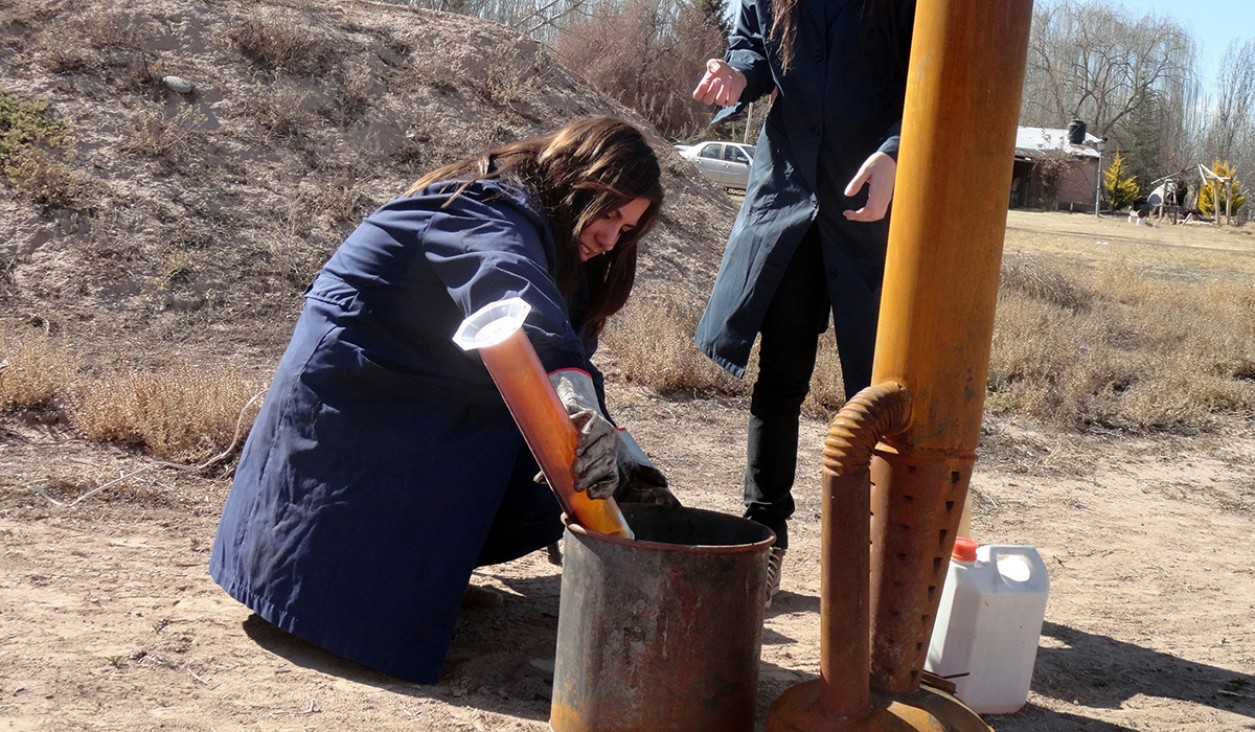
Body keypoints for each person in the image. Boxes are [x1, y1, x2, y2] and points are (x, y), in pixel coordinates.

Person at [209, 116, 677, 684]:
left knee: (553, 455)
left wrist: (624, 456)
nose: (611, 238)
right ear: (566, 174)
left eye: (626, 228)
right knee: (536, 443)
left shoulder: (552, 237)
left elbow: (568, 349)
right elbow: (513, 295)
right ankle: (341, 605)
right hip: (355, 401)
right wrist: (575, 410)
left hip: (411, 399)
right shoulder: (483, 211)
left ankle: (429, 577)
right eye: (608, 213)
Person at [691, 0, 916, 604]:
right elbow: (755, 51)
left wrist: (896, 150)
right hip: (788, 199)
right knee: (779, 377)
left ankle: (887, 558)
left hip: (873, 208)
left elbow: (929, 74)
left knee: (879, 389)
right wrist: (737, 74)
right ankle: (767, 537)